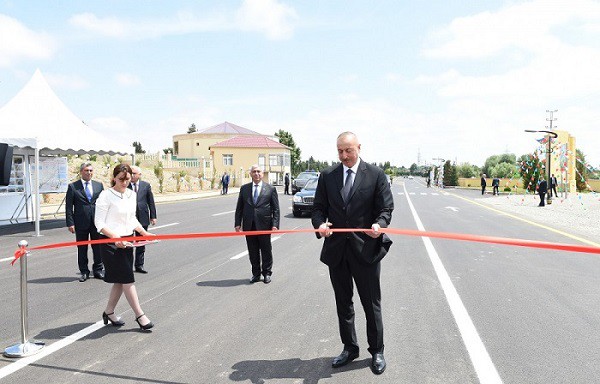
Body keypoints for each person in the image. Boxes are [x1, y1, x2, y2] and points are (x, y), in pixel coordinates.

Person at [311, 132, 394, 375]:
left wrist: (379, 224)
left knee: (371, 304)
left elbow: (386, 208)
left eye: (348, 150)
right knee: (343, 303)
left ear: (359, 147)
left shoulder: (376, 175)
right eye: (340, 151)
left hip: (366, 250)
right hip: (337, 251)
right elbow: (318, 208)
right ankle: (350, 348)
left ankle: (377, 350)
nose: (344, 155)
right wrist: (320, 225)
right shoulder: (328, 176)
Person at [94, 164, 155, 331]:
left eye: (128, 179)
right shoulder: (105, 195)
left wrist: (144, 233)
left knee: (121, 280)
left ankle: (109, 312)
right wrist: (115, 238)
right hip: (109, 241)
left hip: (127, 240)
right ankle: (140, 315)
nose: (125, 182)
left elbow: (131, 219)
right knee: (127, 278)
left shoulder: (131, 194)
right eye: (121, 179)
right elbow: (99, 223)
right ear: (114, 177)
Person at [235, 165, 280, 284]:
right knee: (253, 251)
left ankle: (267, 273)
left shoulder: (270, 189)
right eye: (254, 171)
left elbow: (276, 209)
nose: (256, 174)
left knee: (266, 250)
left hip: (264, 225)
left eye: (258, 171)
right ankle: (255, 274)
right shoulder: (244, 189)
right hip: (249, 225)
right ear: (250, 174)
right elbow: (239, 207)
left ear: (262, 173)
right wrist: (237, 223)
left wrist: (275, 223)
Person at [66, 162, 105, 282]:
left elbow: (104, 204)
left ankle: (98, 270)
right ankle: (84, 271)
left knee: (97, 247)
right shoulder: (73, 187)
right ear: (81, 172)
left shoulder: (99, 186)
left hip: (96, 222)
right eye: (86, 170)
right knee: (82, 248)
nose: (89, 173)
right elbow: (69, 207)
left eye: (91, 170)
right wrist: (70, 223)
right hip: (81, 223)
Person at [128, 166, 157, 274]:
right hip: (129, 218)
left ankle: (139, 265)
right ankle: (127, 265)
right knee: (128, 242)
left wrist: (153, 216)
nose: (132, 175)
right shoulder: (125, 186)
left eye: (134, 173)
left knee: (141, 242)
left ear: (139, 175)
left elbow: (151, 201)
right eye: (131, 173)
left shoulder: (146, 185)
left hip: (143, 217)